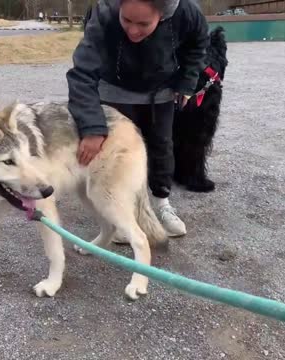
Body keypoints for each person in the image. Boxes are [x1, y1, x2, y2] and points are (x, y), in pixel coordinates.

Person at [66, 0, 209, 237]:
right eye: (127, 20)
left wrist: (186, 82)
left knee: (161, 146)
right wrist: (92, 127)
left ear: (162, 15)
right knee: (114, 151)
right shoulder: (104, 12)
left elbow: (198, 45)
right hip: (114, 86)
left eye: (143, 23)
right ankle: (122, 211)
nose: (133, 30)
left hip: (160, 90)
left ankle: (162, 204)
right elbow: (82, 72)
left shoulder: (187, 12)